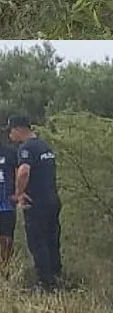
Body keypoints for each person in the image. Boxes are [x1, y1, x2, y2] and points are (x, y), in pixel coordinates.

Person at [8, 115, 61, 292]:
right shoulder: (44, 146)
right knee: (51, 240)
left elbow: (23, 171)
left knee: (37, 242)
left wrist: (19, 194)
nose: (9, 135)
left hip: (36, 203)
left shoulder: (26, 148)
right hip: (52, 200)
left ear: (17, 129)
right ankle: (56, 277)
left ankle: (45, 283)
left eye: (10, 131)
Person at [0, 129, 16, 272]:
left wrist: (18, 193)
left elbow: (19, 173)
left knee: (6, 240)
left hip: (6, 206)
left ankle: (6, 271)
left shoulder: (10, 153)